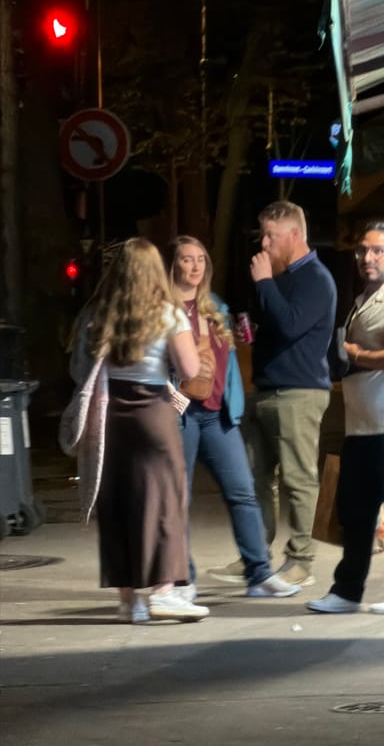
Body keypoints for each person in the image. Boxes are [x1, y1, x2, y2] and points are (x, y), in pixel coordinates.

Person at [69, 237, 208, 623]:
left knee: (117, 503)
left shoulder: (96, 314)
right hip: (153, 414)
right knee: (164, 498)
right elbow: (190, 369)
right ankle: (164, 591)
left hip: (109, 415)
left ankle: (129, 602)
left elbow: (78, 369)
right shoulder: (168, 313)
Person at [306, 221, 384, 614]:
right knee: (355, 511)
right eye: (363, 250)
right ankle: (347, 592)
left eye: (378, 250)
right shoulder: (365, 296)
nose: (368, 257)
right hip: (363, 423)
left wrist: (359, 356)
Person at [210, 201, 337, 588]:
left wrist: (264, 283)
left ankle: (301, 560)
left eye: (271, 235)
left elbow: (290, 325)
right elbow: (275, 326)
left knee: (299, 479)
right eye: (262, 235)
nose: (263, 244)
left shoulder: (316, 278)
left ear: (295, 235)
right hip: (267, 389)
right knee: (257, 479)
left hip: (299, 392)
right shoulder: (282, 277)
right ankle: (256, 556)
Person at [166, 235, 301, 598]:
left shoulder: (216, 306)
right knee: (177, 500)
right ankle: (181, 580)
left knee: (243, 492)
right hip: (181, 415)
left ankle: (259, 575)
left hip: (217, 415)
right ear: (173, 265)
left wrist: (234, 398)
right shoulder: (163, 309)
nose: (195, 266)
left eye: (200, 259)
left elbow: (226, 361)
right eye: (187, 259)